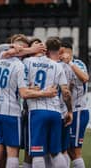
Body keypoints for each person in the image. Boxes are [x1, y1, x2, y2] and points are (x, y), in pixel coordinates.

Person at [0, 34, 57, 168]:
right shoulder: (19, 66)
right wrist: (44, 92)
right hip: (10, 113)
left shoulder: (0, 60)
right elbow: (24, 94)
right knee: (12, 152)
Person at [60, 41, 89, 168]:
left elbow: (85, 78)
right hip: (65, 112)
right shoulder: (59, 65)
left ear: (68, 52)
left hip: (78, 111)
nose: (59, 55)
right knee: (64, 148)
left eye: (61, 52)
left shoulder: (77, 63)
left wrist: (70, 63)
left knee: (75, 150)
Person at [45, 37, 74, 168]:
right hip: (61, 112)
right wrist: (70, 111)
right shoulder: (67, 67)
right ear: (60, 50)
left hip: (44, 110)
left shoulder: (40, 63)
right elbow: (68, 91)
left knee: (44, 150)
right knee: (62, 149)